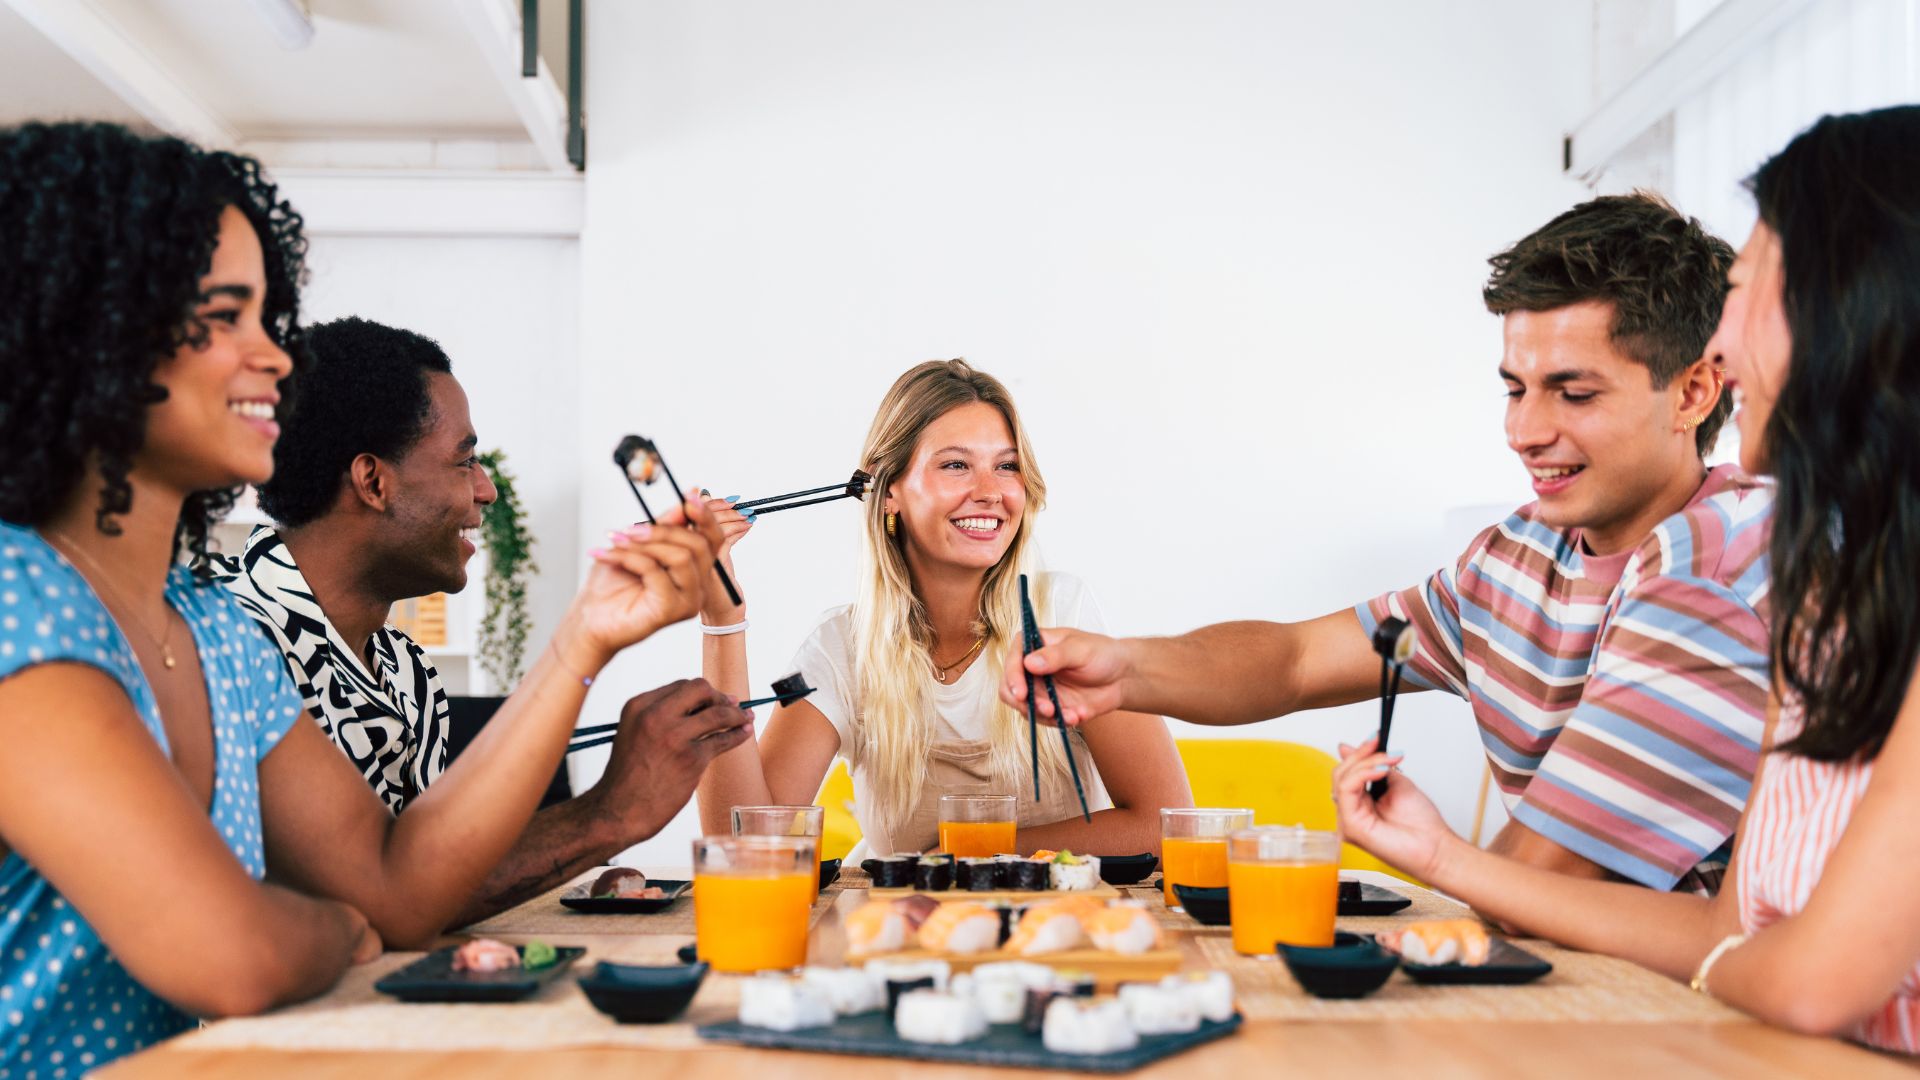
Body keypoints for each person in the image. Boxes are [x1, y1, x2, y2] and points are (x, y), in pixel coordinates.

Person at [0, 122, 742, 1073]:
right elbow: (232, 953)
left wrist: (585, 639)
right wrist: (338, 929)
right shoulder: (22, 601)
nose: (272, 356)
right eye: (224, 317)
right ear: (87, 332)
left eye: (266, 318)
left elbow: (394, 893)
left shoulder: (214, 630)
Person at [1333, 105, 1920, 1052]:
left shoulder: (1730, 578)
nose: (1721, 344)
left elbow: (1807, 981)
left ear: (1861, 305)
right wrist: (1438, 854)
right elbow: (1735, 931)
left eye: (1749, 287)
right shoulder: (1825, 601)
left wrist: (1734, 968)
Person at [1005, 195, 1771, 895]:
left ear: (1695, 393)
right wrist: (1124, 670)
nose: (1524, 432)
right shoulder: (1516, 558)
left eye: (1574, 393)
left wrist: (1431, 854)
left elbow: (1537, 878)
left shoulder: (1719, 569)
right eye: (1515, 388)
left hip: (1708, 1021)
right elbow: (1297, 661)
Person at [212, 316, 752, 923]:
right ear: (372, 481)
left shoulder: (408, 671)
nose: (487, 490)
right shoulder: (230, 642)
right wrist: (606, 814)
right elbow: (364, 907)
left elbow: (428, 880)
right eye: (464, 462)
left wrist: (577, 857)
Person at [695, 360, 1192, 856]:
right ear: (887, 490)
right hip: (896, 929)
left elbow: (1162, 825)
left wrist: (970, 851)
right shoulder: (840, 647)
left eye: (1007, 465)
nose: (990, 492)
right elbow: (745, 848)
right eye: (955, 465)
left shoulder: (1061, 614)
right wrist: (723, 622)